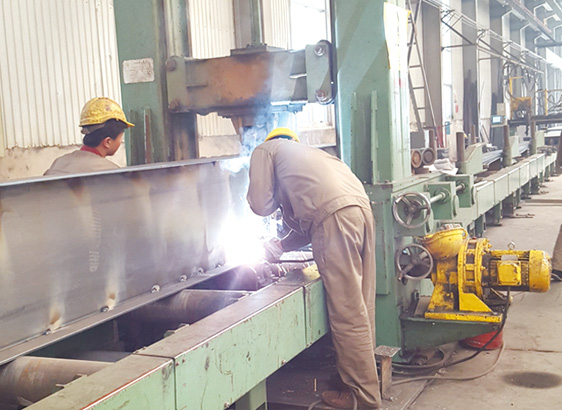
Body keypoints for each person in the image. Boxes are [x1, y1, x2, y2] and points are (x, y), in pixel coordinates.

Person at [247, 127, 381, 409]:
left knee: (347, 313)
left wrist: (273, 202)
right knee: (361, 306)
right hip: (362, 213)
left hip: (336, 220)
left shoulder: (265, 150)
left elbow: (260, 205)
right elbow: (314, 220)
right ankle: (354, 383)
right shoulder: (311, 156)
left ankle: (362, 399)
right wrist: (279, 246)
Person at [44, 97, 134, 176]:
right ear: (107, 142)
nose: (120, 141)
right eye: (121, 137)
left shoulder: (59, 163)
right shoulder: (111, 172)